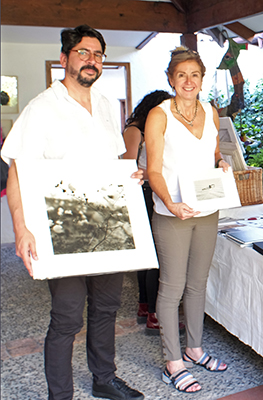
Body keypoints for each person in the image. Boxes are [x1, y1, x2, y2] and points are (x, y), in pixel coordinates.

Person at [1, 25, 145, 400]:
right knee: (66, 316)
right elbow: (17, 172)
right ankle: (60, 395)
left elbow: (114, 163)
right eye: (83, 52)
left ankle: (104, 379)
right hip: (61, 226)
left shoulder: (107, 104)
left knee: (107, 307)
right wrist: (21, 229)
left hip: (108, 223)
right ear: (65, 58)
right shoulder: (41, 108)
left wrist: (130, 177)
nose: (91, 60)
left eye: (97, 54)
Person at [145, 46, 230, 394]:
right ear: (171, 79)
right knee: (172, 287)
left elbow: (214, 153)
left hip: (207, 210)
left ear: (202, 79)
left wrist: (222, 164)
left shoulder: (210, 111)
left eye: (195, 75)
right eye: (181, 75)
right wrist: (171, 203)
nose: (188, 81)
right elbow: (153, 170)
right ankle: (173, 363)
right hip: (172, 213)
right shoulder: (159, 115)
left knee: (198, 283)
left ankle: (194, 349)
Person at [123, 90, 174, 335]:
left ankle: (145, 306)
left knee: (148, 254)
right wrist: (152, 173)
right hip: (143, 193)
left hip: (148, 190)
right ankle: (154, 313)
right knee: (153, 255)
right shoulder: (135, 131)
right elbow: (128, 166)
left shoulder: (149, 130)